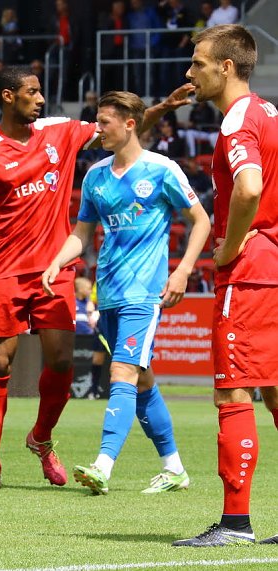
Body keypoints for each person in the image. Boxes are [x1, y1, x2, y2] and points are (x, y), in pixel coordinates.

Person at [0, 65, 194, 492]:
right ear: (7, 96)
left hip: (54, 270)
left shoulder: (60, 131)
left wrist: (164, 106)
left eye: (41, 92)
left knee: (60, 362)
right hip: (4, 271)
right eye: (32, 92)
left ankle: (41, 437)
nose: (41, 99)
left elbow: (120, 130)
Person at [42, 90, 210, 495]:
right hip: (109, 294)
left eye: (104, 122)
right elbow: (82, 233)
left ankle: (103, 465)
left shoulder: (162, 170)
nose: (97, 129)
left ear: (130, 124)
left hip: (144, 294)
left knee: (121, 372)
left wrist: (183, 271)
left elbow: (201, 220)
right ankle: (174, 468)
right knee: (141, 380)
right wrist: (57, 261)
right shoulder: (96, 176)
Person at [173, 24, 278, 548]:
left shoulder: (238, 120)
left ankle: (235, 523)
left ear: (226, 67)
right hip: (275, 267)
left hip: (251, 272)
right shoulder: (269, 112)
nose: (190, 72)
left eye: (198, 63)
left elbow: (249, 188)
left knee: (233, 390)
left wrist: (231, 246)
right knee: (275, 392)